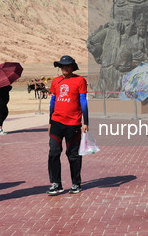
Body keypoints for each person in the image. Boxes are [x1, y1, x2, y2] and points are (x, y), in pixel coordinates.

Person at [47, 55, 89, 195]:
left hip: (73, 123)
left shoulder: (80, 80)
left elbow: (83, 101)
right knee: (53, 152)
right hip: (56, 122)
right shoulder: (56, 81)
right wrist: (50, 121)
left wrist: (86, 122)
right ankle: (56, 183)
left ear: (72, 67)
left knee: (73, 154)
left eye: (67, 65)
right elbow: (52, 102)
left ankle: (76, 183)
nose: (64, 68)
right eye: (62, 66)